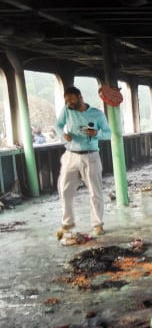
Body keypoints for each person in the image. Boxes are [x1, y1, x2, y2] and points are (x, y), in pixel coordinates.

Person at [55, 86, 111, 238]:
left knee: (95, 192)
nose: (69, 103)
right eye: (66, 100)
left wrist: (96, 133)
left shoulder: (97, 114)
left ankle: (97, 224)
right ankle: (67, 223)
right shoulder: (67, 110)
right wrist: (63, 134)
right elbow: (57, 125)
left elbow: (108, 133)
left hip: (90, 155)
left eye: (72, 100)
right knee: (64, 190)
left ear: (80, 97)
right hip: (71, 155)